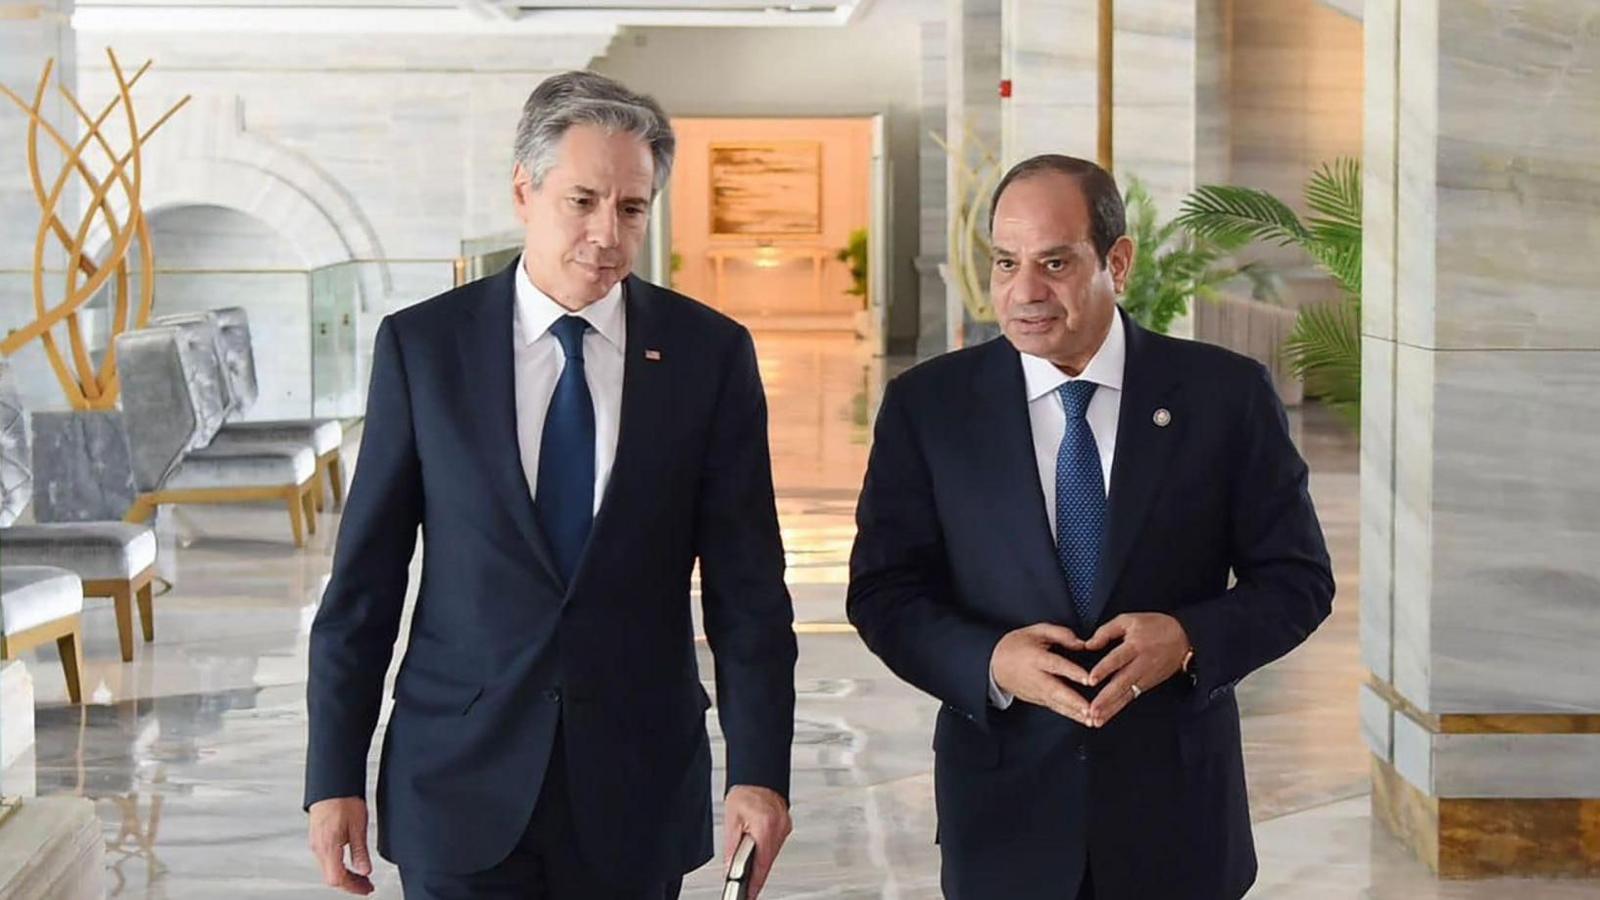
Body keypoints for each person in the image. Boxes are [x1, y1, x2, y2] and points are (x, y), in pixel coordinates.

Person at [304, 70, 797, 900]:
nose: (609, 232)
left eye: (632, 208)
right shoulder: (423, 350)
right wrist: (332, 777)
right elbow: (364, 586)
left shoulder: (708, 356)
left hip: (636, 786)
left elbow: (749, 591)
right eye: (583, 200)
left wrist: (759, 772)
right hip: (455, 781)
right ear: (524, 191)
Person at [846, 154, 1334, 899]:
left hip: (1176, 821)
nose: (1024, 292)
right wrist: (991, 662)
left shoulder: (1222, 397)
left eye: (1055, 263)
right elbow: (884, 591)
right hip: (1004, 822)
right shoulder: (930, 409)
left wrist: (1189, 638)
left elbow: (1297, 581)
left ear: (1119, 261)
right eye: (1005, 263)